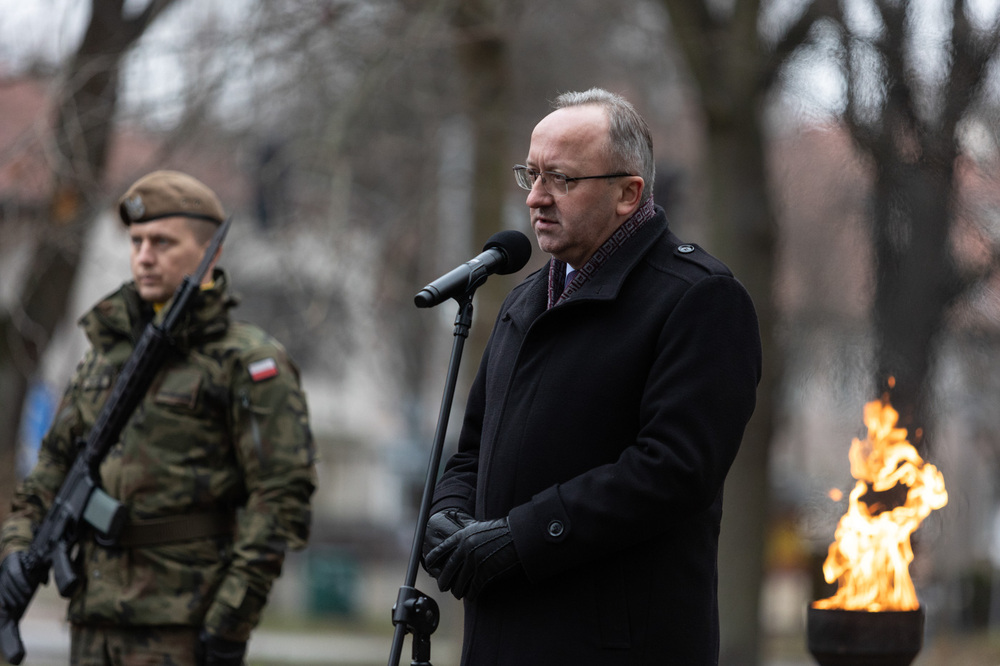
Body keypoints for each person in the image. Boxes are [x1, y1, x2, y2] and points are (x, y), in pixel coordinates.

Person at [421, 89, 762, 665]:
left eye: (560, 178)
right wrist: (446, 514)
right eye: (531, 175)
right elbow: (474, 450)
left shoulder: (700, 299)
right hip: (499, 641)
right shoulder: (525, 300)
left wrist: (525, 536)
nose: (536, 197)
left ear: (628, 193)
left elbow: (674, 470)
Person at [0, 171, 316, 666]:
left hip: (182, 625)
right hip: (92, 622)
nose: (144, 256)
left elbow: (280, 499)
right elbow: (51, 470)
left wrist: (230, 618)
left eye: (163, 242)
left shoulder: (247, 362)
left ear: (211, 253)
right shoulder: (103, 357)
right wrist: (18, 549)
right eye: (137, 242)